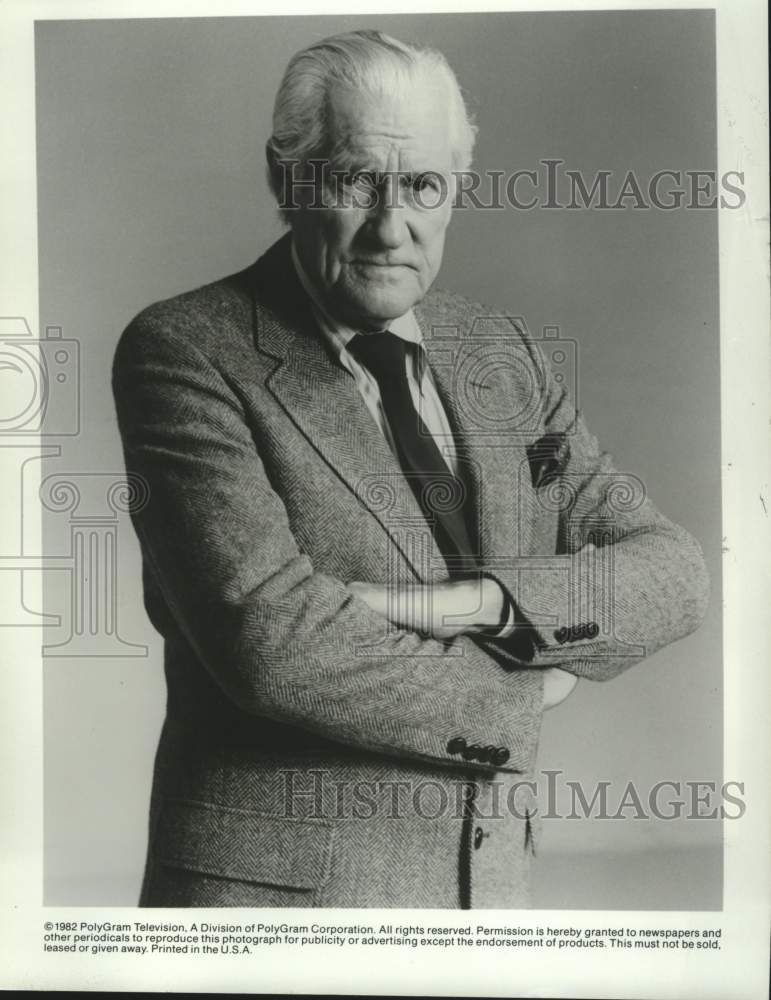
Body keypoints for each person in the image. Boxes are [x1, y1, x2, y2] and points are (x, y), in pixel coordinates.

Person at [112, 29, 709, 908]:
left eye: (424, 186)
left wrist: (475, 604)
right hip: (281, 908)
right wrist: (528, 690)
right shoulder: (185, 351)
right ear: (287, 181)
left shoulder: (500, 354)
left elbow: (674, 571)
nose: (392, 229)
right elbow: (273, 646)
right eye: (357, 181)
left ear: (456, 192)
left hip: (488, 886)